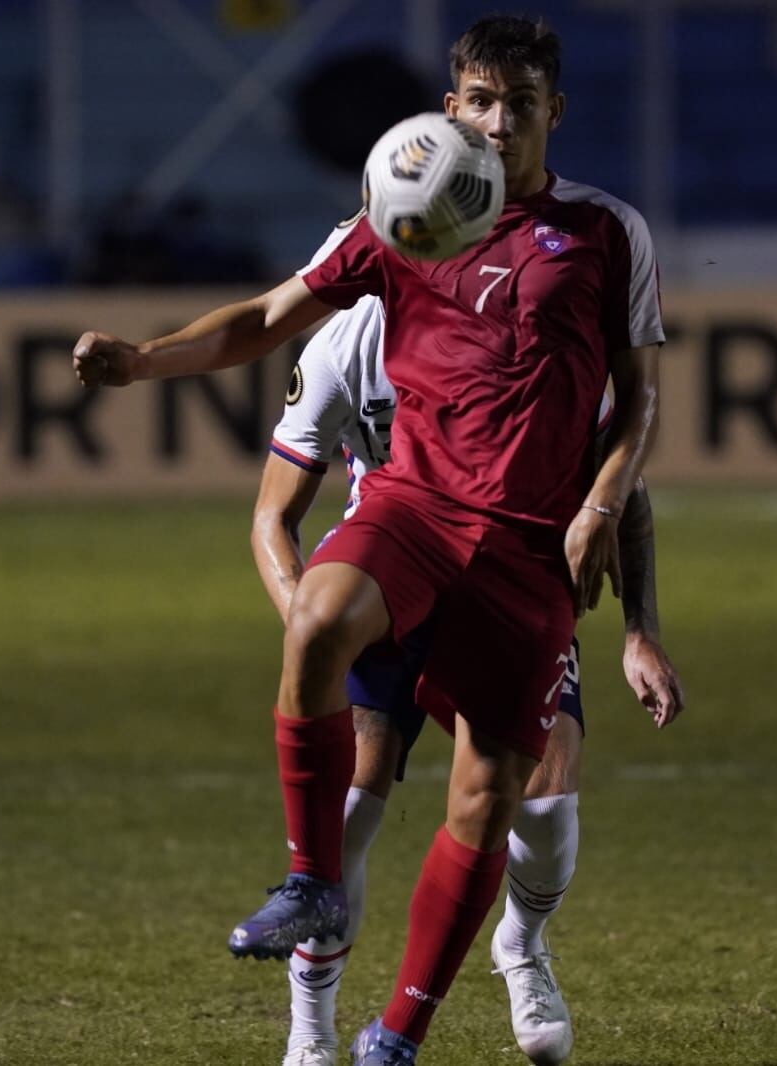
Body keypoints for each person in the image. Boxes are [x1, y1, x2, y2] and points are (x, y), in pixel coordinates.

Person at [72, 15, 672, 1063]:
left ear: (551, 114)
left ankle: (398, 1033)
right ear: (451, 108)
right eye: (479, 101)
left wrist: (601, 505)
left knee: (490, 801)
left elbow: (639, 407)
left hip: (529, 548)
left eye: (518, 105)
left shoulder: (605, 232)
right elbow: (266, 317)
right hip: (414, 509)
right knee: (313, 618)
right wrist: (145, 360)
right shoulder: (400, 220)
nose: (496, 122)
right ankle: (309, 884)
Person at [255, 294, 683, 1066]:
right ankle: (310, 1033)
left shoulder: (532, 334)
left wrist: (638, 632)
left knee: (546, 811)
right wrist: (311, 628)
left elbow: (627, 494)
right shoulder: (343, 347)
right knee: (349, 810)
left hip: (505, 583)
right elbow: (271, 517)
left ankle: (521, 944)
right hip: (389, 578)